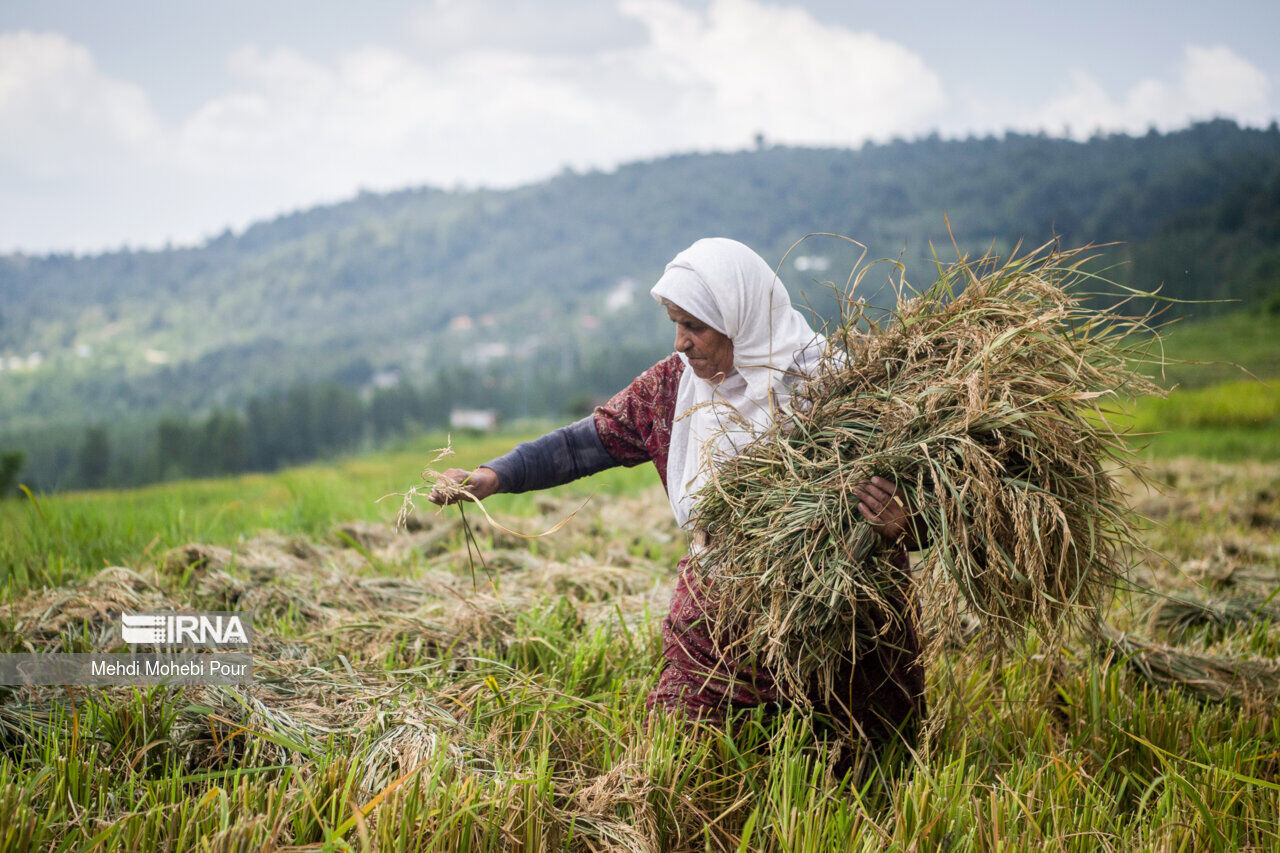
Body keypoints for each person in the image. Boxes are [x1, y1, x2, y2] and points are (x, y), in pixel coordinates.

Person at [429, 237, 925, 753]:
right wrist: (496, 475)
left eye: (695, 326)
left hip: (844, 625)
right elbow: (583, 444)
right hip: (718, 615)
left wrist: (904, 524)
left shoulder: (839, 389)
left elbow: (942, 501)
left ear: (741, 320)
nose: (680, 343)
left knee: (860, 768)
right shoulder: (674, 388)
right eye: (675, 323)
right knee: (683, 756)